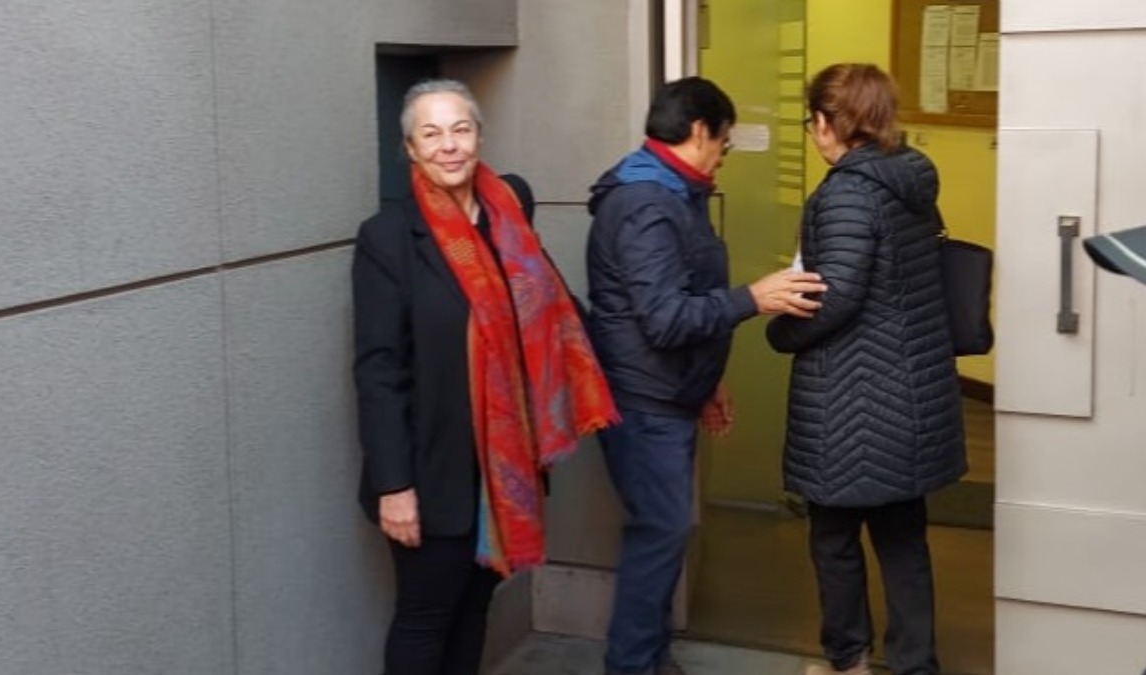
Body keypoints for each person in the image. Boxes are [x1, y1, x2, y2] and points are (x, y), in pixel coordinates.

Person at [353, 79, 619, 675]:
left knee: (475, 612)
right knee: (426, 618)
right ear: (410, 150)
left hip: (507, 465)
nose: (449, 145)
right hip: (432, 471)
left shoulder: (509, 217)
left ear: (478, 136)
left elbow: (554, 311)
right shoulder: (390, 239)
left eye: (461, 129)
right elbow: (378, 371)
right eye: (432, 133)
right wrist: (395, 485)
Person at [585, 76, 828, 675]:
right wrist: (755, 297)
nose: (724, 155)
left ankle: (647, 661)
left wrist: (705, 383)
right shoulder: (647, 202)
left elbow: (680, 299)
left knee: (664, 533)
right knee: (661, 535)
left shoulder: (673, 190)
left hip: (666, 393)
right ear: (699, 132)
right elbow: (665, 318)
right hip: (644, 402)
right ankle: (633, 666)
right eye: (724, 142)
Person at [765, 64, 967, 675]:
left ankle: (847, 661)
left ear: (829, 123)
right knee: (904, 542)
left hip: (851, 401)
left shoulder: (847, 191)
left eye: (812, 121)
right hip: (909, 395)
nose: (812, 133)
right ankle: (914, 664)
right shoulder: (908, 178)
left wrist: (780, 330)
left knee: (834, 540)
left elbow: (841, 294)